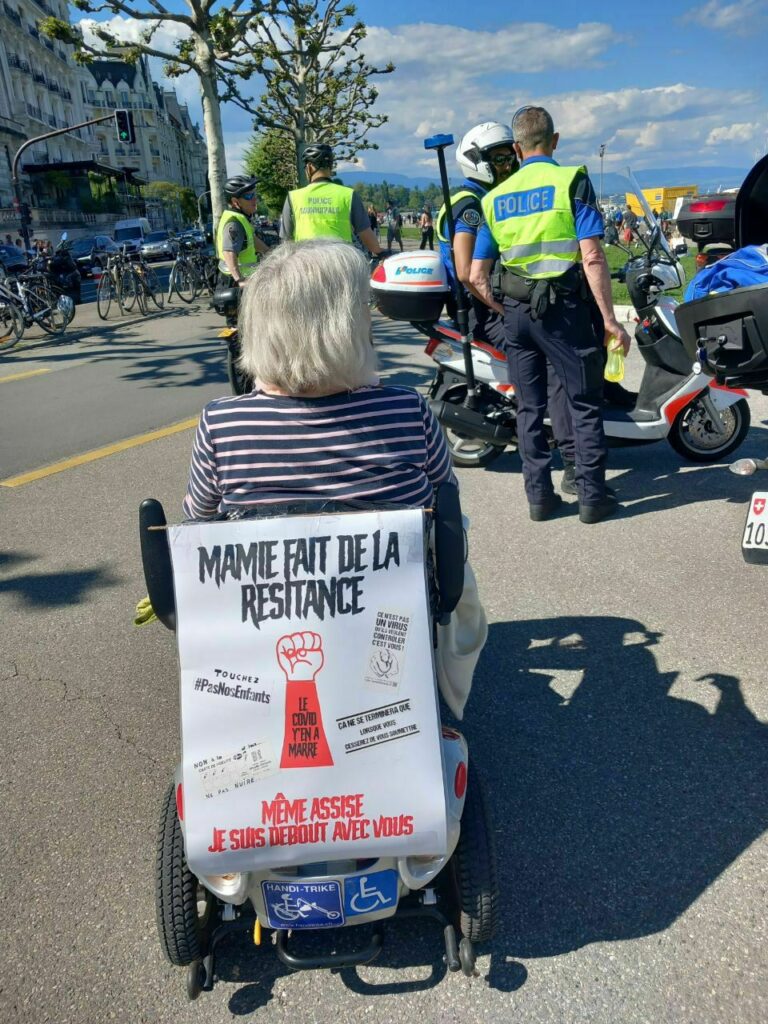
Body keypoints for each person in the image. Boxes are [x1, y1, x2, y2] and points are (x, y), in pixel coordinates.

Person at [183, 238, 485, 718]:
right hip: (389, 612)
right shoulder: (407, 412)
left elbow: (199, 524)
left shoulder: (221, 424)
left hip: (266, 617)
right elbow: (444, 501)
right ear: (347, 326)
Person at [469, 105, 630, 524]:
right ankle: (592, 499)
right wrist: (610, 321)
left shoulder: (494, 198)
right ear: (554, 141)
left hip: (517, 315)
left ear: (518, 148)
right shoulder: (570, 180)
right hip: (564, 311)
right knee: (583, 402)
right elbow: (592, 256)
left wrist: (504, 306)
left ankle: (539, 499)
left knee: (528, 407)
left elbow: (475, 274)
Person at [280, 144, 381, 256]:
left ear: (309, 167)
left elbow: (286, 241)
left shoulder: (293, 197)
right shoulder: (348, 195)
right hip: (340, 263)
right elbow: (366, 233)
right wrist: (380, 253)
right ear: (331, 166)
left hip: (306, 263)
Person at [216, 175, 270, 286]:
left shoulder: (242, 220)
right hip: (234, 285)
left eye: (254, 194)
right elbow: (228, 252)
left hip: (246, 282)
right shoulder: (234, 223)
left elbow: (253, 242)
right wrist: (240, 280)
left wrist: (274, 254)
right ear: (235, 202)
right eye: (249, 196)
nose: (255, 199)